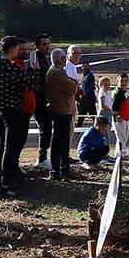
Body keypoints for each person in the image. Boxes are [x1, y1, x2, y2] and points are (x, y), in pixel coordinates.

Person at [0, 36, 32, 188]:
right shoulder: (12, 69)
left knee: (2, 142)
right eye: (18, 49)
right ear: (12, 49)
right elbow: (28, 84)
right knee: (10, 145)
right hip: (12, 110)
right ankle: (7, 178)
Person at [43, 47, 79, 178]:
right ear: (62, 59)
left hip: (64, 110)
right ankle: (56, 169)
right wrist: (74, 83)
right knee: (59, 141)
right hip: (60, 111)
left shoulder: (59, 71)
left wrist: (73, 84)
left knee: (63, 140)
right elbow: (71, 88)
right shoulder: (56, 73)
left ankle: (64, 168)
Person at [30, 34, 56, 172]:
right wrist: (43, 98)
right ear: (37, 45)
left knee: (46, 129)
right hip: (38, 102)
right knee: (45, 128)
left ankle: (43, 157)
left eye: (48, 44)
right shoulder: (35, 60)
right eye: (44, 44)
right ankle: (42, 158)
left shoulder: (44, 59)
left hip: (43, 100)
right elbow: (36, 82)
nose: (47, 47)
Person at [110, 75, 129, 161]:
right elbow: (114, 107)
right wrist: (117, 116)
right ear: (118, 81)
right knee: (121, 138)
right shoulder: (116, 93)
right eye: (121, 81)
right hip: (119, 119)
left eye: (125, 81)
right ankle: (120, 155)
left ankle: (121, 154)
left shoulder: (127, 93)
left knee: (125, 137)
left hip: (126, 118)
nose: (124, 83)